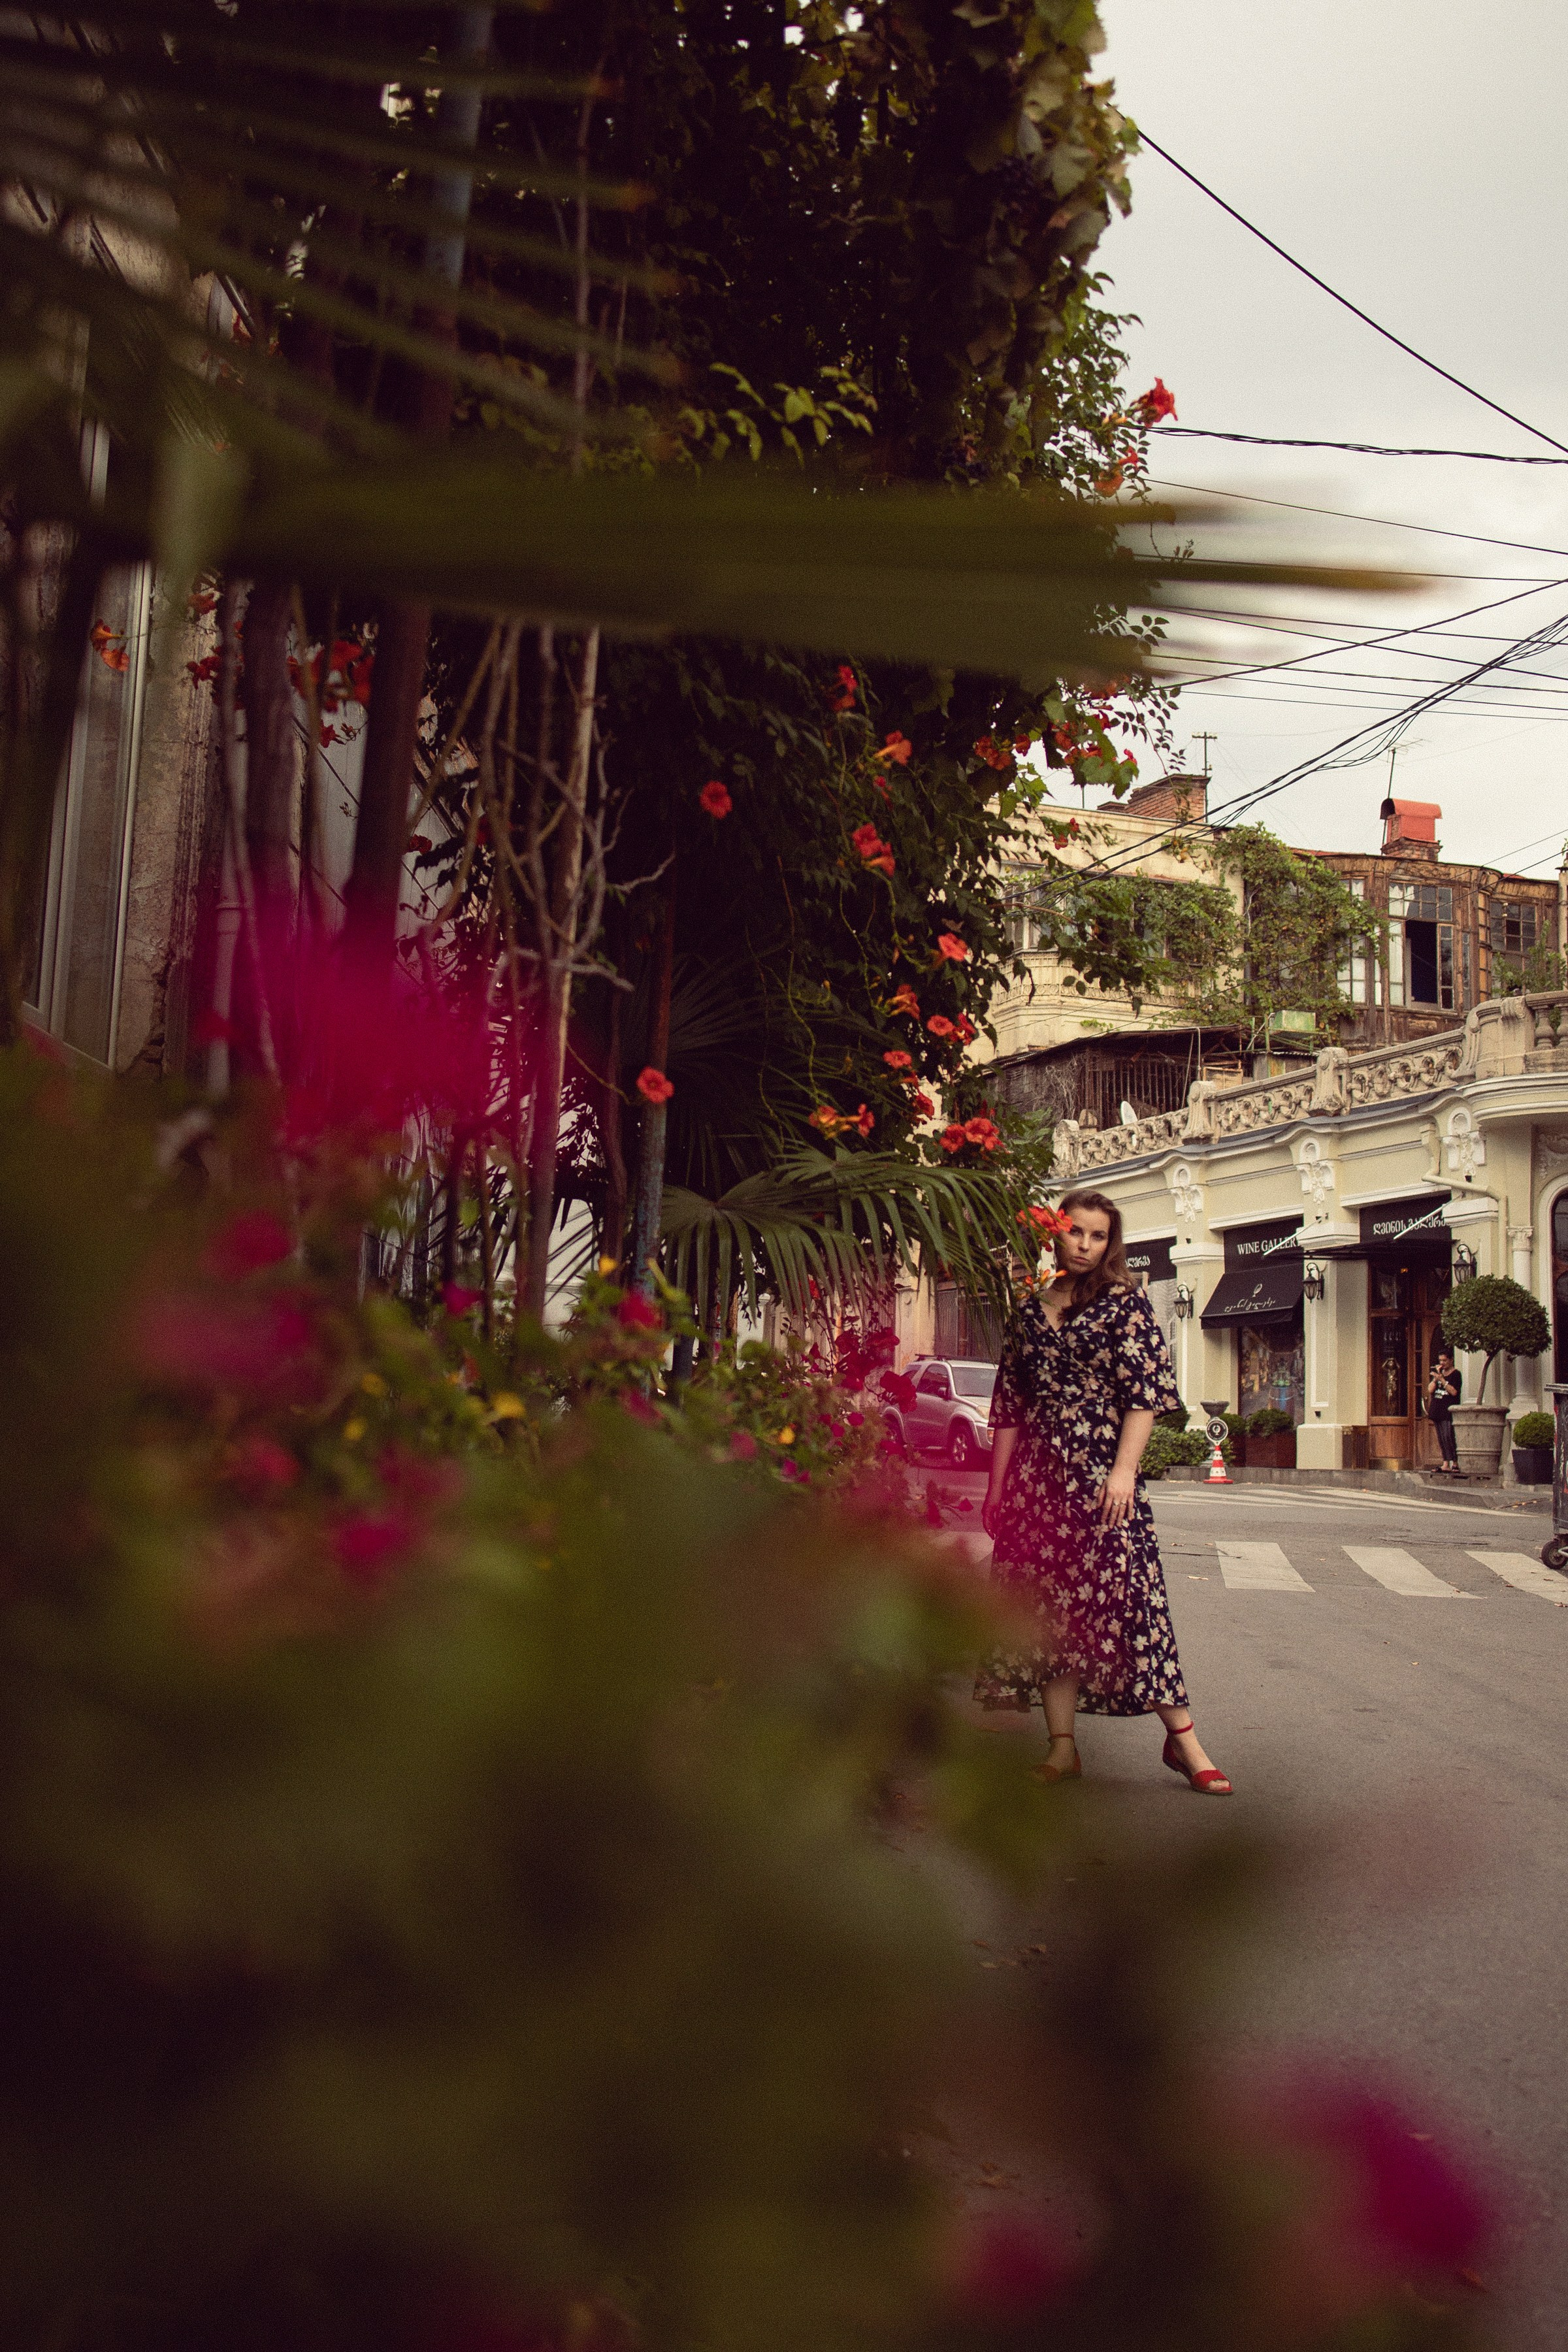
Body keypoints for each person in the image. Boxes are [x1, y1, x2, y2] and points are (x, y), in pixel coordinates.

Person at [977, 1189, 1232, 1795]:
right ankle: (1062, 1747)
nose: (1086, 1246)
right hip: (1038, 1483)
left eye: (1098, 1236)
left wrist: (1123, 1472)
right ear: (1057, 1236)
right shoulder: (1028, 1309)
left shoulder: (1126, 1306)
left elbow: (1144, 1396)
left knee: (1132, 1603)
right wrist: (996, 1491)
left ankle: (1185, 1741)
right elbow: (1010, 1408)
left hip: (1102, 1482)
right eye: (1076, 1234)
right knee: (1047, 1611)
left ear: (1109, 1242)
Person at [1425, 1349, 1462, 1473]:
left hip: (1448, 1409)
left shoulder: (1456, 1374)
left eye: (1445, 1360)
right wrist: (1436, 1378)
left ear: (1451, 1360)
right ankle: (1445, 1463)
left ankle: (1455, 1462)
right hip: (1437, 1409)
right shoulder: (1439, 1374)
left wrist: (1443, 1381)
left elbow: (1454, 1392)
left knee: (1448, 1436)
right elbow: (1430, 1390)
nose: (1442, 1363)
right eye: (1440, 1360)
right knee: (1441, 1437)